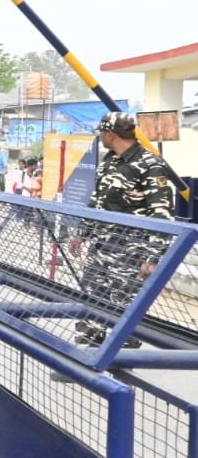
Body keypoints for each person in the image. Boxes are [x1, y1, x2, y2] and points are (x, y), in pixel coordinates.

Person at [70, 112, 175, 346]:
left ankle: (122, 356)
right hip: (101, 247)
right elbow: (97, 202)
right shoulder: (110, 161)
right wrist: (81, 234)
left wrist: (153, 257)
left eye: (101, 133)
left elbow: (162, 213)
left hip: (130, 253)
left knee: (123, 308)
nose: (101, 137)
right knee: (92, 299)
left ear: (110, 133)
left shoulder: (150, 165)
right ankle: (88, 355)